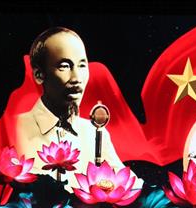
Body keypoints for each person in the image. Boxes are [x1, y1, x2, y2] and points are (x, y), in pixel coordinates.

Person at [15, 27, 126, 190]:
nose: (77, 78)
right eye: (64, 66)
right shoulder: (15, 129)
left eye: (82, 65)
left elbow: (126, 183)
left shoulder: (94, 133)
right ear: (39, 74)